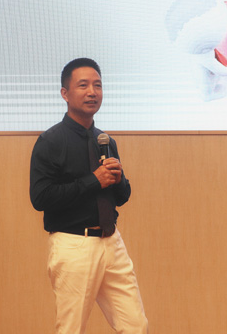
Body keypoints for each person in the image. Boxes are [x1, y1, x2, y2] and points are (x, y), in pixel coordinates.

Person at [30, 58, 148, 334]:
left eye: (97, 85)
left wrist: (118, 179)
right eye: (83, 85)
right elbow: (41, 197)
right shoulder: (50, 141)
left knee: (136, 326)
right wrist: (93, 181)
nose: (92, 92)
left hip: (112, 242)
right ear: (65, 93)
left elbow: (122, 197)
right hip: (74, 244)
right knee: (71, 329)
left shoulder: (105, 141)